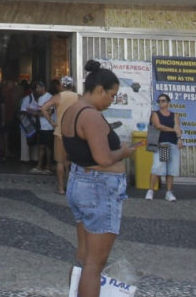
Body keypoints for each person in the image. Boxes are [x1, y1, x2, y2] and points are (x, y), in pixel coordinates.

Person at [61, 60, 141, 297]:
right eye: (112, 95)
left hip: (80, 181)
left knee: (84, 257)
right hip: (98, 187)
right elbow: (104, 158)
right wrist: (124, 152)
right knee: (95, 264)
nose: (112, 100)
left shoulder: (71, 111)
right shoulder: (91, 116)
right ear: (99, 90)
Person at [46, 75, 79, 195]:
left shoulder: (57, 97)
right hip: (73, 133)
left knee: (60, 162)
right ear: (72, 85)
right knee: (71, 162)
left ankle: (61, 188)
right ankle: (71, 187)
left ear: (61, 85)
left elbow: (44, 108)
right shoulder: (78, 97)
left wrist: (51, 121)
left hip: (59, 132)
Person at [146, 93, 182, 201]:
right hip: (163, 143)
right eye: (159, 101)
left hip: (173, 143)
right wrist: (173, 130)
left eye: (163, 101)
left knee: (171, 169)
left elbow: (177, 126)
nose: (161, 103)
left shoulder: (174, 115)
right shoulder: (155, 114)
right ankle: (150, 191)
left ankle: (169, 192)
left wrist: (179, 138)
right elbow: (158, 126)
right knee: (158, 167)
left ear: (168, 102)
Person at [23, 80, 54, 173]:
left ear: (43, 88)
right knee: (41, 146)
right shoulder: (40, 98)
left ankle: (48, 166)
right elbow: (40, 110)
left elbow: (49, 112)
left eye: (38, 88)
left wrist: (34, 113)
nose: (36, 90)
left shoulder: (49, 97)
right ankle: (40, 166)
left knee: (48, 147)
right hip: (41, 125)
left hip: (48, 126)